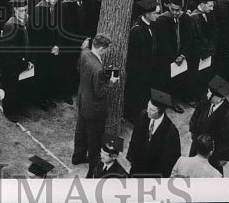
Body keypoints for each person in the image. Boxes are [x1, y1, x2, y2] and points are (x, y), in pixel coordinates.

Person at [72, 33, 116, 178]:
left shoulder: (85, 53)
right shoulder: (97, 68)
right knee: (94, 140)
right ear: (102, 49)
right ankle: (93, 169)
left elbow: (79, 69)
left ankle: (77, 156)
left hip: (83, 101)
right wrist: (111, 82)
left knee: (80, 131)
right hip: (94, 109)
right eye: (107, 49)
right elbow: (100, 93)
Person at [187, 76, 229, 175]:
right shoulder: (206, 101)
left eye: (210, 92)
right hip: (197, 147)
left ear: (219, 98)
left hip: (213, 156)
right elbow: (195, 116)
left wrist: (224, 158)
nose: (207, 94)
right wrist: (193, 131)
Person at [126, 89, 182, 178]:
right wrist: (130, 157)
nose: (148, 111)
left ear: (161, 112)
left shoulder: (171, 131)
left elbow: (171, 160)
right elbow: (134, 138)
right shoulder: (142, 116)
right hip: (137, 168)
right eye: (148, 107)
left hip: (153, 174)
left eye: (152, 110)